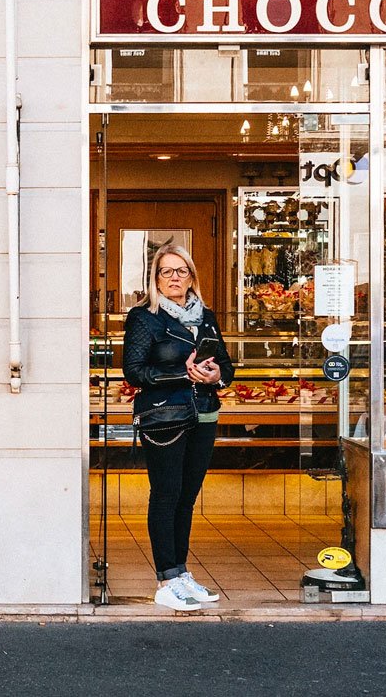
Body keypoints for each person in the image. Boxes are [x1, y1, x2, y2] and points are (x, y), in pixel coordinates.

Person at [121, 243, 234, 612]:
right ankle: (166, 580)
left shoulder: (206, 315)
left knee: (187, 497)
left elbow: (227, 367)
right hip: (165, 417)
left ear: (191, 277)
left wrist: (218, 376)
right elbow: (134, 371)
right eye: (167, 272)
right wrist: (180, 372)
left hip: (203, 414)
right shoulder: (145, 317)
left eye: (181, 271)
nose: (174, 277)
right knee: (166, 494)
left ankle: (181, 572)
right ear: (155, 279)